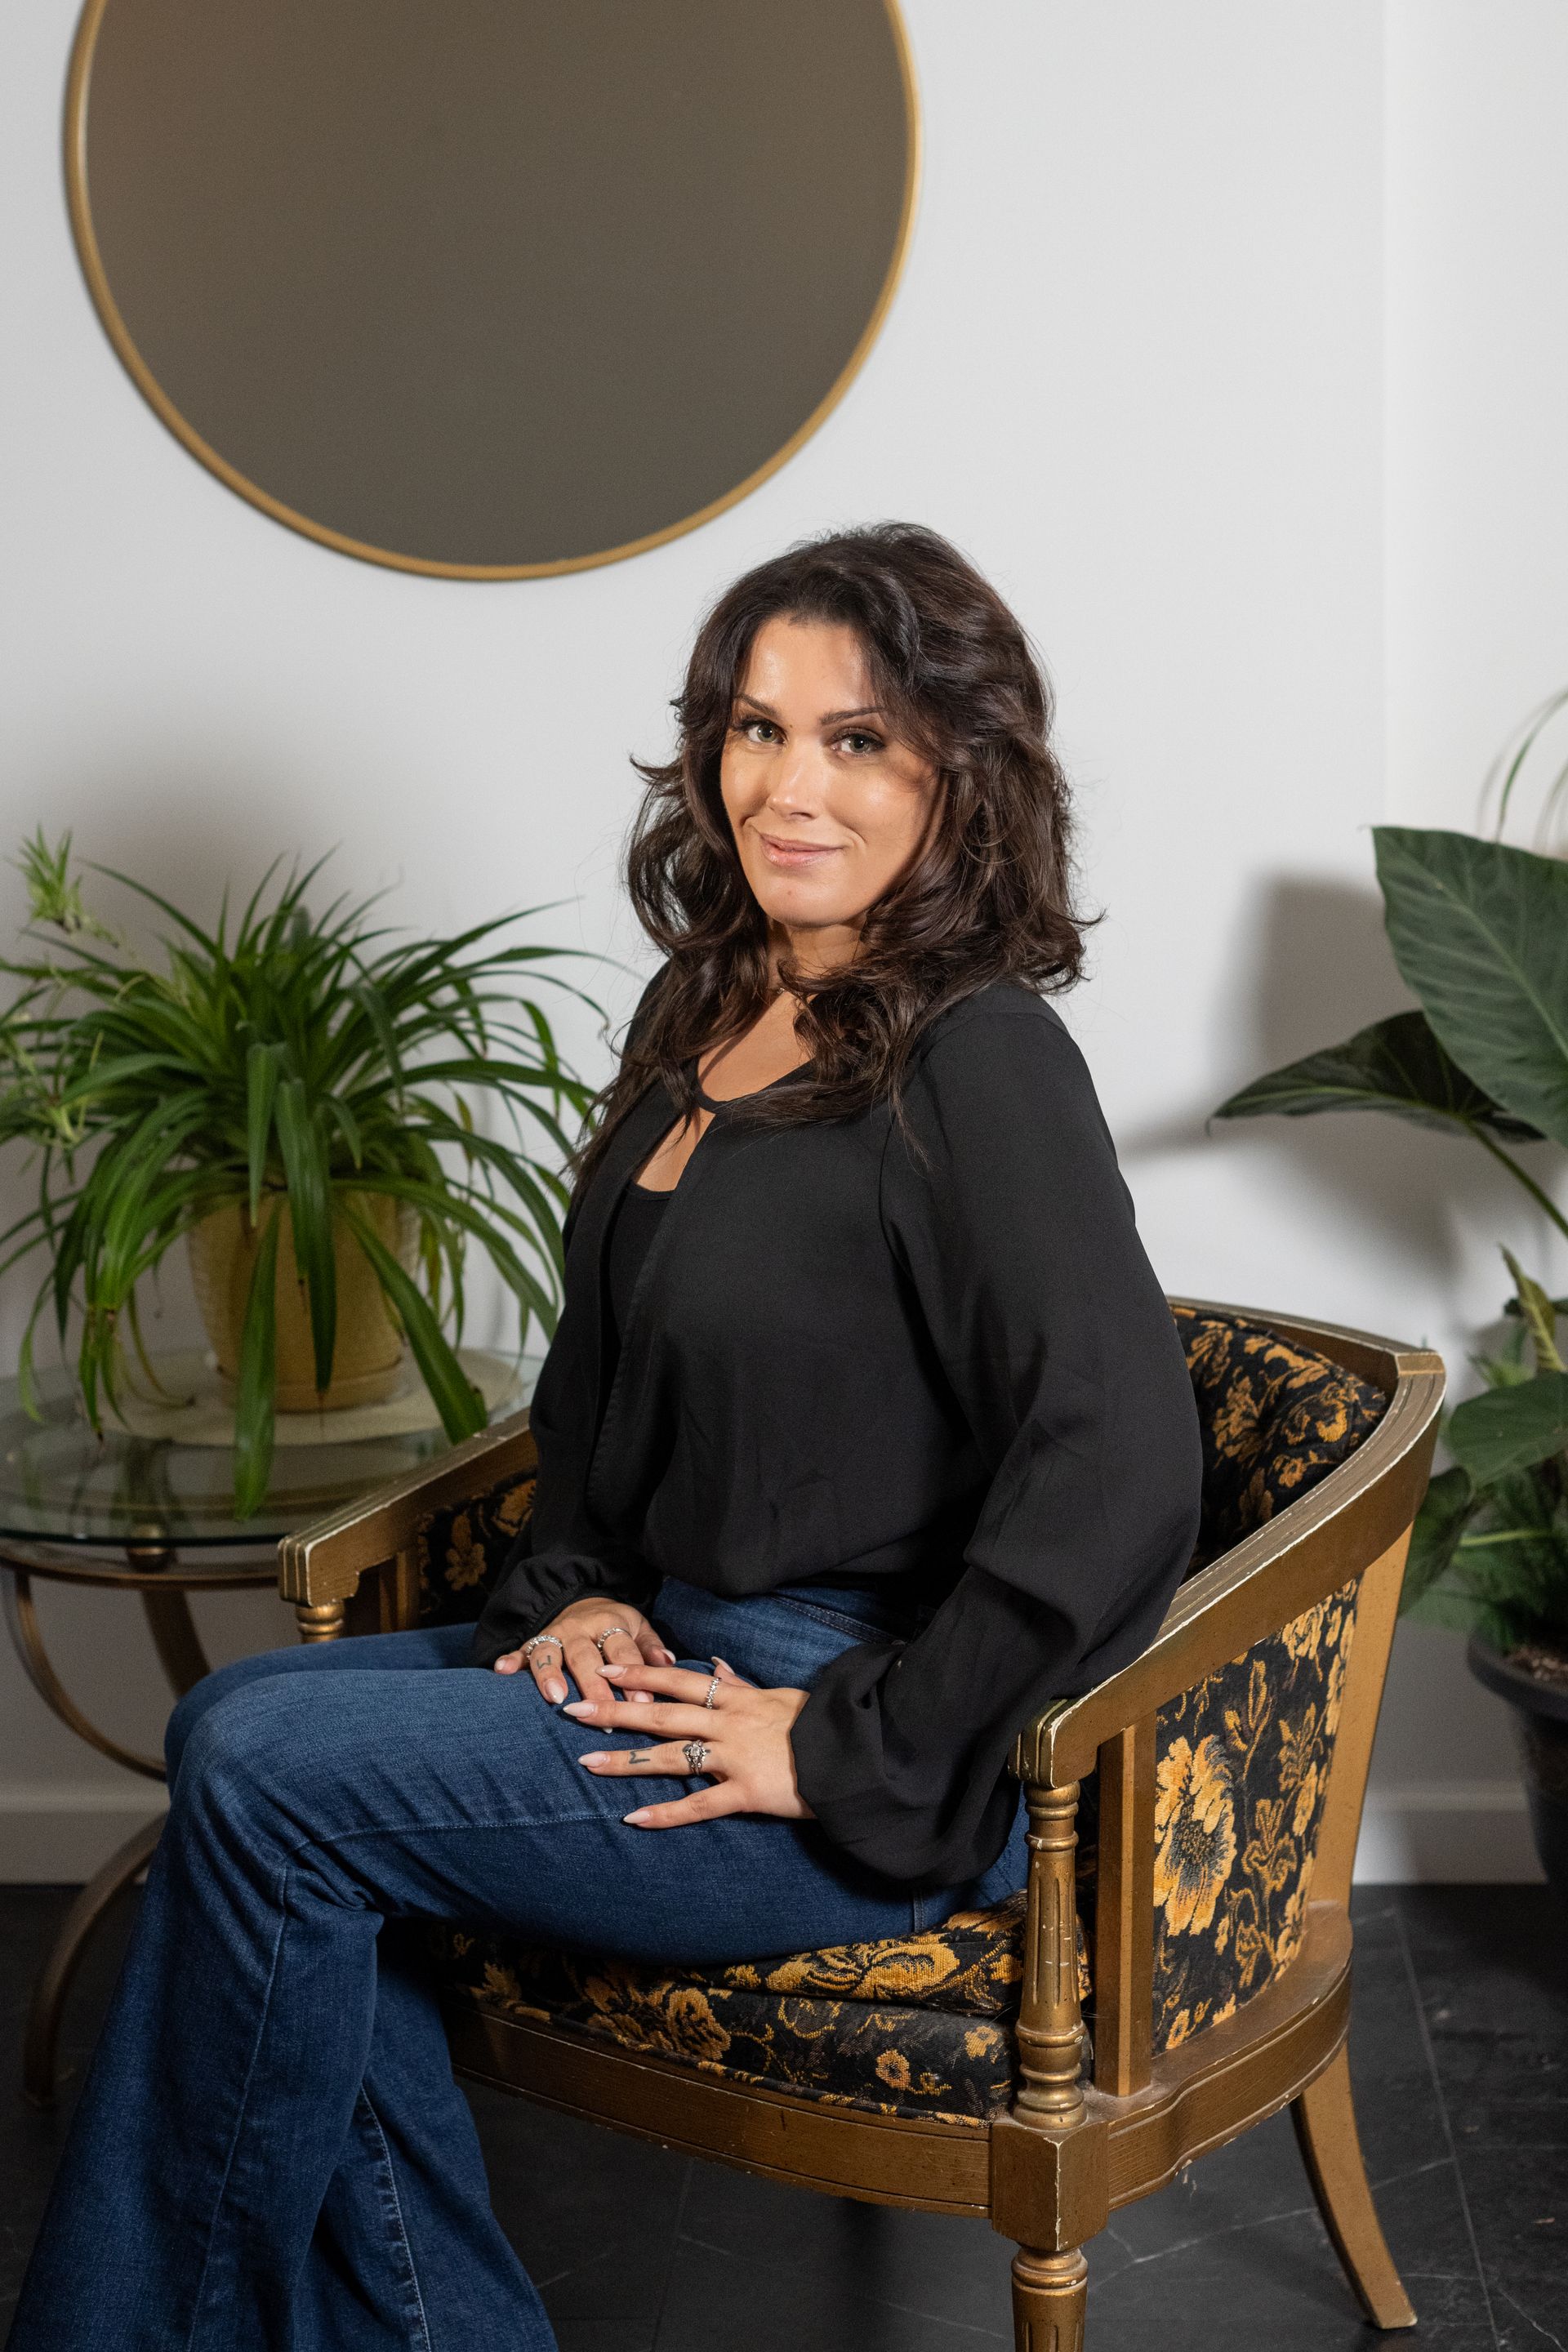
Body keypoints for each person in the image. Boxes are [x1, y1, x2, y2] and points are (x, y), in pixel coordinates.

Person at [8, 523, 1202, 2351]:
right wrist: (565, 1585)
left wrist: (852, 1740)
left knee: (262, 1779)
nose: (787, 786)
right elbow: (604, 1378)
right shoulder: (704, 1010)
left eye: (857, 739)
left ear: (962, 772)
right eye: (754, 725)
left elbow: (1121, 1458)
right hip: (669, 1654)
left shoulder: (981, 1057)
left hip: (828, 1739)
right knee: (249, 1746)